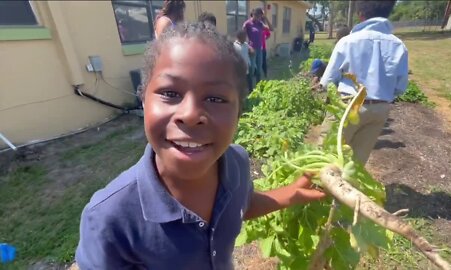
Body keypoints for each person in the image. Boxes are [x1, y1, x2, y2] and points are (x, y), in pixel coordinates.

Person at [75, 23, 325, 269]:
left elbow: (239, 205)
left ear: (239, 112)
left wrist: (289, 194)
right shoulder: (109, 218)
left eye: (215, 98)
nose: (191, 114)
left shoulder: (236, 162)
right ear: (143, 101)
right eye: (170, 93)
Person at [318, 0, 408, 165]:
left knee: (325, 159)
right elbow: (400, 87)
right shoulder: (398, 45)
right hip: (380, 108)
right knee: (356, 164)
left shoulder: (348, 41)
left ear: (360, 14)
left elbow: (328, 80)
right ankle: (347, 189)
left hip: (347, 106)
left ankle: (322, 190)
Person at [243, 8, 269, 87]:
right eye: (257, 16)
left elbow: (270, 29)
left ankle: (258, 88)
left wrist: (266, 19)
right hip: (252, 50)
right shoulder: (247, 23)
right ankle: (250, 89)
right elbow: (242, 36)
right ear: (253, 14)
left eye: (260, 16)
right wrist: (248, 47)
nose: (259, 18)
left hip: (259, 50)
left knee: (259, 71)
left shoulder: (260, 23)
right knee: (251, 70)